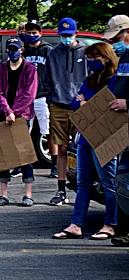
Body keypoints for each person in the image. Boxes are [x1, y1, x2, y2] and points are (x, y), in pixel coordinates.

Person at [53, 42, 119, 240]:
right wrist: (86, 103)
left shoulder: (114, 80)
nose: (90, 61)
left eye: (93, 57)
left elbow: (108, 105)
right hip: (84, 138)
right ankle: (76, 224)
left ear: (105, 58)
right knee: (83, 183)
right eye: (88, 57)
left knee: (108, 183)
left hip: (104, 137)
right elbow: (74, 102)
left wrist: (85, 103)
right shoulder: (90, 79)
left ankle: (110, 224)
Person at [43, 18, 87, 206]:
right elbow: (46, 79)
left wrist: (86, 100)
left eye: (69, 35)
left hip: (81, 107)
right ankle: (60, 190)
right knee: (61, 149)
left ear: (76, 33)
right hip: (58, 105)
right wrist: (50, 98)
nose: (66, 38)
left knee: (83, 151)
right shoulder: (53, 54)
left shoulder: (85, 53)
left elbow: (93, 78)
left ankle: (84, 190)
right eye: (63, 35)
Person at [0, 37, 38, 206]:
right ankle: (3, 194)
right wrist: (7, 111)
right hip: (3, 115)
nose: (12, 52)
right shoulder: (1, 69)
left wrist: (14, 112)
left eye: (15, 49)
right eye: (10, 49)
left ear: (22, 49)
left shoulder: (30, 69)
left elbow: (29, 94)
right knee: (3, 155)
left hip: (21, 116)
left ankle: (28, 194)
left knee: (25, 155)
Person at [102, 15, 129, 246]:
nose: (116, 42)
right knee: (123, 181)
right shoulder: (126, 56)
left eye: (118, 37)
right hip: (124, 130)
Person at [21, 20, 57, 178]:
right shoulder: (23, 51)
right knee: (23, 132)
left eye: (34, 33)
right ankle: (23, 164)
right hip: (26, 98)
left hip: (42, 96)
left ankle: (55, 164)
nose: (31, 35)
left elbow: (54, 73)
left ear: (40, 34)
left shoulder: (47, 50)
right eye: (28, 32)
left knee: (47, 131)